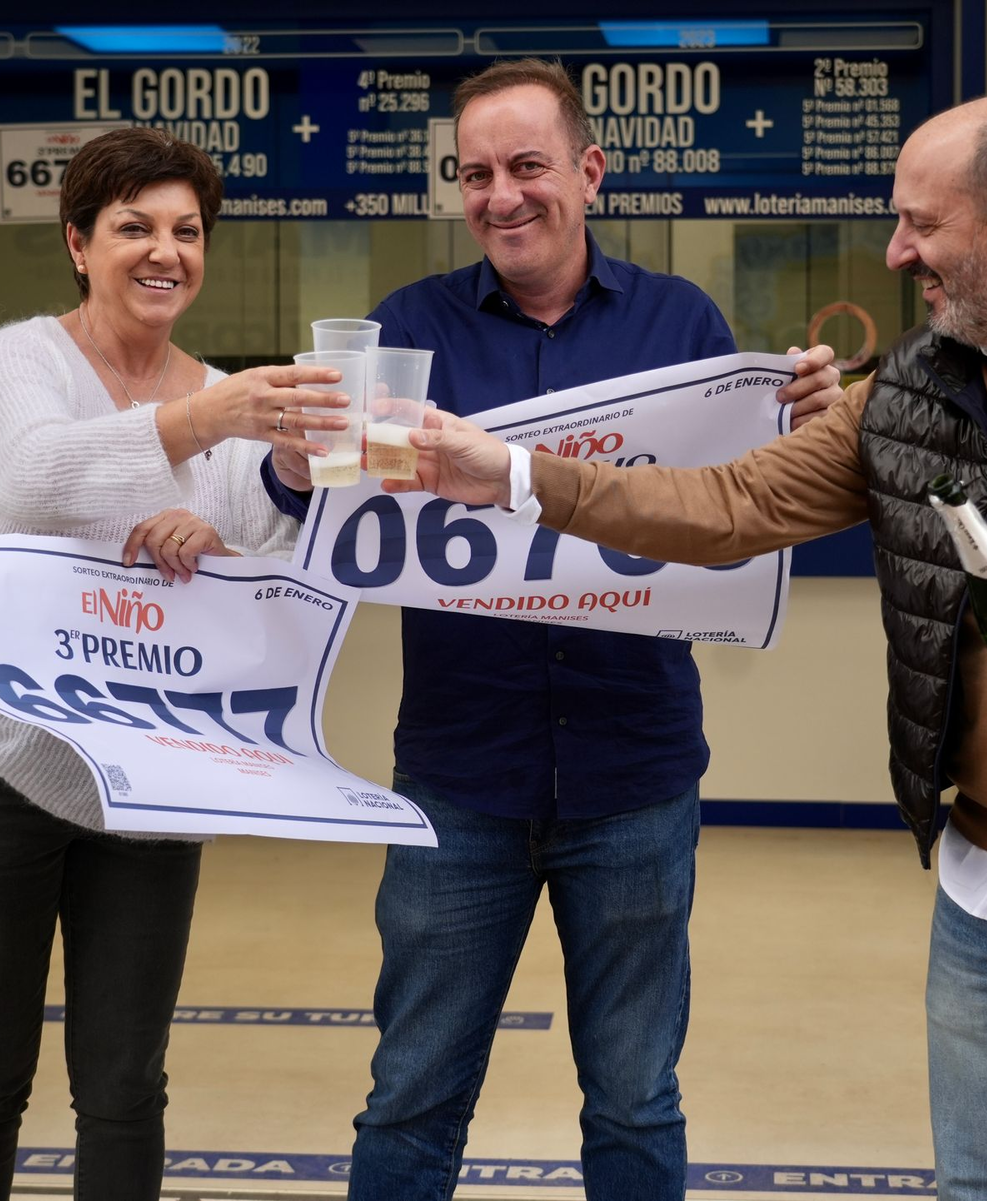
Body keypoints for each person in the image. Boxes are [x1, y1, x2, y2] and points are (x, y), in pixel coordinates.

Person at [390, 94, 987, 1201]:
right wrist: (522, 477)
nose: (895, 249)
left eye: (922, 223)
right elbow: (727, 501)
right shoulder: (908, 391)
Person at [263, 57, 839, 1201]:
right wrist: (290, 464)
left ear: (590, 172)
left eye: (527, 166)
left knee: (634, 1102)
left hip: (635, 775)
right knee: (412, 1094)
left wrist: (809, 423)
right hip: (456, 779)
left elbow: (741, 500)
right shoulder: (405, 327)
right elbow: (319, 504)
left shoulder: (684, 322)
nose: (501, 195)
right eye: (475, 173)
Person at [0, 127, 351, 1201]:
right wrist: (204, 420)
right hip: (13, 770)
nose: (165, 252)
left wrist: (285, 481)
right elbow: (29, 480)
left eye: (187, 231)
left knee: (123, 1082)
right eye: (134, 228)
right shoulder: (26, 360)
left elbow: (266, 532)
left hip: (157, 786)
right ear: (77, 241)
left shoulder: (228, 398)